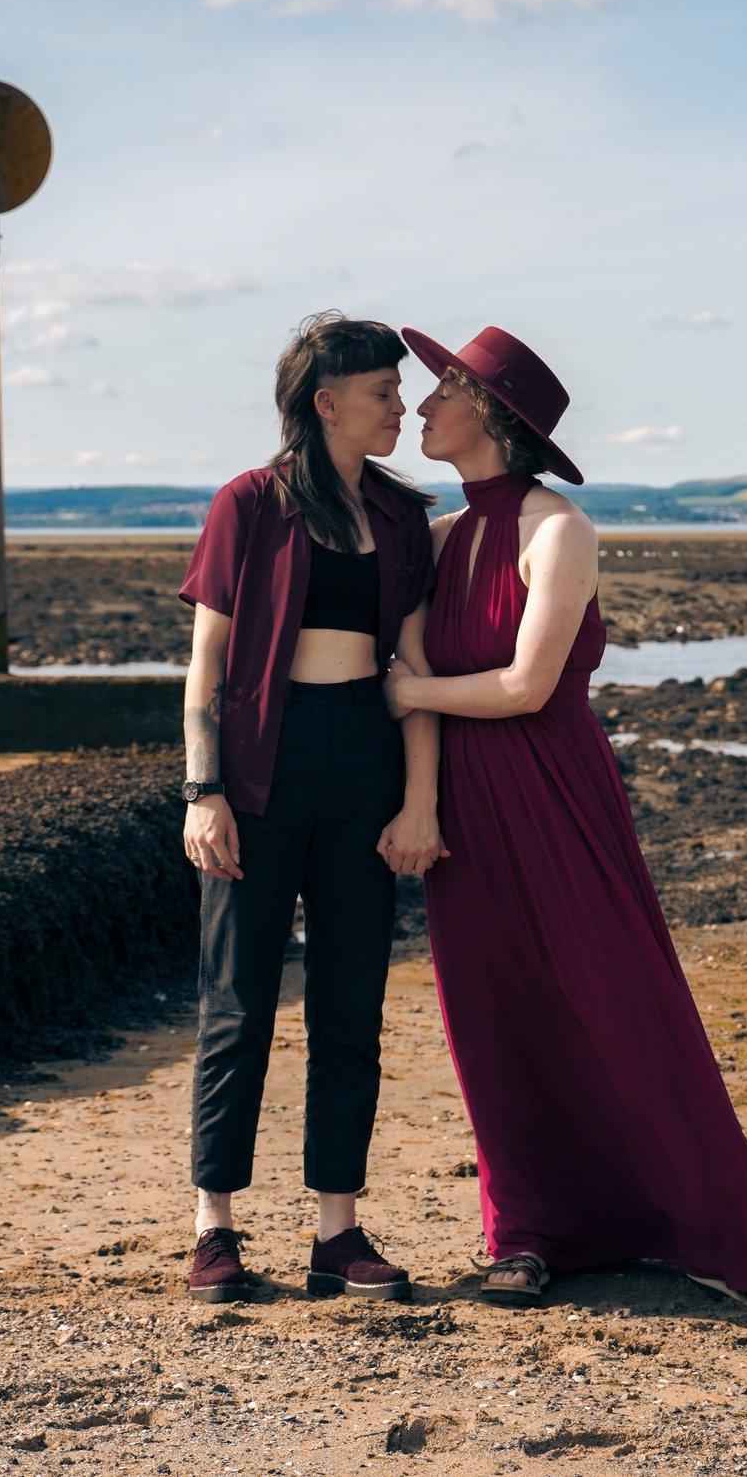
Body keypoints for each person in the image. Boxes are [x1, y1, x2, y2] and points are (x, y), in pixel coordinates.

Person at [384, 324, 747, 1311]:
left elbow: (525, 686)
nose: (420, 406)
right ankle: (530, 1231)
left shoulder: (559, 531)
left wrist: (409, 690)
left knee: (621, 1004)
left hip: (555, 793)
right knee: (493, 1016)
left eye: (441, 389)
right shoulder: (436, 539)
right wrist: (418, 791)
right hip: (467, 805)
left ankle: (716, 1229)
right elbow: (415, 684)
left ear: (491, 416)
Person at [176, 313, 448, 1304]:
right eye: (384, 389)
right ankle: (215, 1227)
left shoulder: (402, 517)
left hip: (363, 762)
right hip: (258, 763)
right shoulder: (247, 502)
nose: (401, 405)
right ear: (326, 401)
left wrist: (418, 800)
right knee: (237, 1001)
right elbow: (205, 668)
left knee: (350, 1003)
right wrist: (202, 791)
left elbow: (412, 669)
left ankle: (337, 1230)